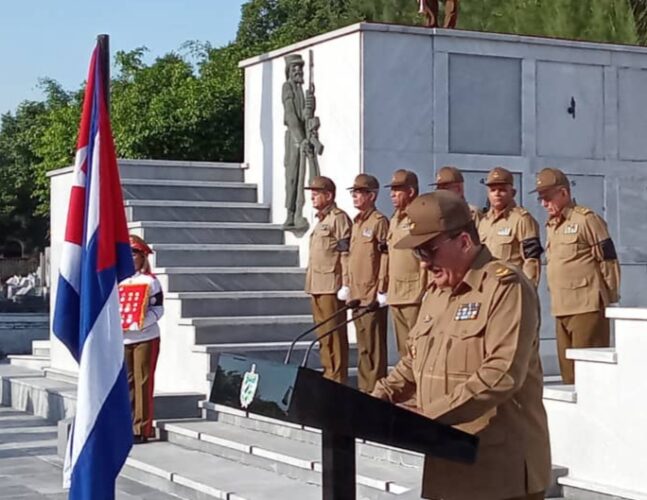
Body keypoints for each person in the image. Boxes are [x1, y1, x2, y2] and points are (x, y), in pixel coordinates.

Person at [372, 190, 551, 500]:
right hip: (446, 464)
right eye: (418, 254)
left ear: (464, 242)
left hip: (497, 472)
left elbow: (502, 372)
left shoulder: (505, 288)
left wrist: (426, 418)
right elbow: (414, 360)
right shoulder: (438, 292)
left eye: (428, 251)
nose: (424, 264)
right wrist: (376, 401)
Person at [533, 168, 620, 385]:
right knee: (569, 376)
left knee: (589, 375)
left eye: (547, 197)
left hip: (587, 306)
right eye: (540, 198)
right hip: (561, 307)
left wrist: (610, 297)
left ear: (563, 193)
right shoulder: (552, 224)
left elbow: (608, 259)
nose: (543, 203)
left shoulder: (586, 219)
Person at [304, 176, 352, 383]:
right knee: (323, 335)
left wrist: (347, 283)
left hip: (332, 285)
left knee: (334, 334)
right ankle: (328, 373)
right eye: (312, 193)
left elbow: (346, 252)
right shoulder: (321, 220)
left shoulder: (338, 218)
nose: (312, 197)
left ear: (329, 195)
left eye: (317, 193)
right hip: (316, 284)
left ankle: (337, 378)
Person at [348, 174, 389, 393]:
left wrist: (381, 288)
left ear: (371, 196)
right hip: (356, 294)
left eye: (360, 192)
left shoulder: (379, 222)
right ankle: (364, 390)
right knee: (363, 348)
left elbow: (385, 256)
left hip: (371, 294)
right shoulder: (356, 223)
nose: (355, 196)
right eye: (353, 193)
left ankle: (375, 392)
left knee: (374, 350)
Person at [121, 235, 164, 444]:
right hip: (124, 338)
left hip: (146, 336)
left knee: (143, 382)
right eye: (128, 252)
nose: (131, 257)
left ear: (142, 256)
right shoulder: (119, 280)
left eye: (135, 253)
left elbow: (158, 309)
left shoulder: (150, 281)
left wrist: (140, 322)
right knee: (127, 383)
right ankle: (127, 424)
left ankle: (142, 428)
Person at [385, 169, 427, 359]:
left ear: (411, 192)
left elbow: (426, 256)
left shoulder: (419, 217)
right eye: (392, 190)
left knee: (418, 348)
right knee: (404, 351)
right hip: (396, 293)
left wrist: (426, 290)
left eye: (398, 190)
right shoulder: (394, 219)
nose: (392, 194)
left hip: (414, 294)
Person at [478, 166, 543, 286]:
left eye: (502, 190)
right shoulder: (484, 222)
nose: (497, 194)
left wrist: (528, 290)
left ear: (512, 193)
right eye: (493, 190)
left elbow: (531, 260)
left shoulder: (522, 219)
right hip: (487, 288)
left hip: (510, 288)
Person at [282, 54, 309, 230]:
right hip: (294, 138)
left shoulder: (302, 91)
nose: (298, 70)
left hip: (304, 136)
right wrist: (300, 140)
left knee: (303, 176)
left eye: (300, 67)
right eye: (294, 68)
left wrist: (308, 110)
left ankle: (299, 212)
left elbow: (303, 115)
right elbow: (291, 115)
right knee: (292, 177)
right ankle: (291, 213)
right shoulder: (288, 87)